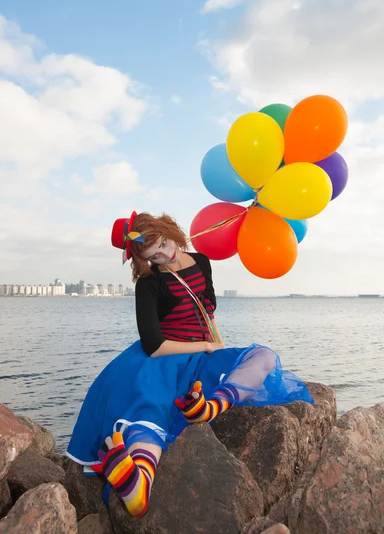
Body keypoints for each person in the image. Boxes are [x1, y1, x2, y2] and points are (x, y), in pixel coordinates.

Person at [66, 210, 313, 519]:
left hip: (200, 353)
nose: (165, 255)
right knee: (151, 407)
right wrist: (208, 346)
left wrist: (218, 347)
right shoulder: (148, 282)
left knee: (262, 356)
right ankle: (138, 486)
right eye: (154, 255)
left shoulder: (202, 262)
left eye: (164, 244)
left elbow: (208, 314)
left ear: (169, 229)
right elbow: (153, 345)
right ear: (143, 259)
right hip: (160, 359)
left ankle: (211, 407)